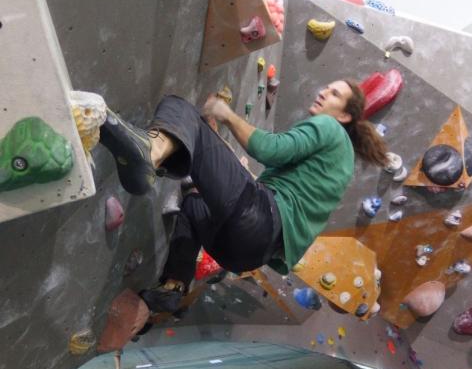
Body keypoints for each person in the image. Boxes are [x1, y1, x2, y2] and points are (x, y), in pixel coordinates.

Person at [99, 79, 387, 314]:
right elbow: (270, 194)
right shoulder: (343, 162)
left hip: (259, 218)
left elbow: (270, 150)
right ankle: (174, 285)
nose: (323, 91)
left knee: (179, 109)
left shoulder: (330, 127)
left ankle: (149, 153)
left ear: (344, 116)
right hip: (247, 254)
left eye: (334, 94)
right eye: (328, 87)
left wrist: (225, 113)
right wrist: (214, 146)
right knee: (193, 204)